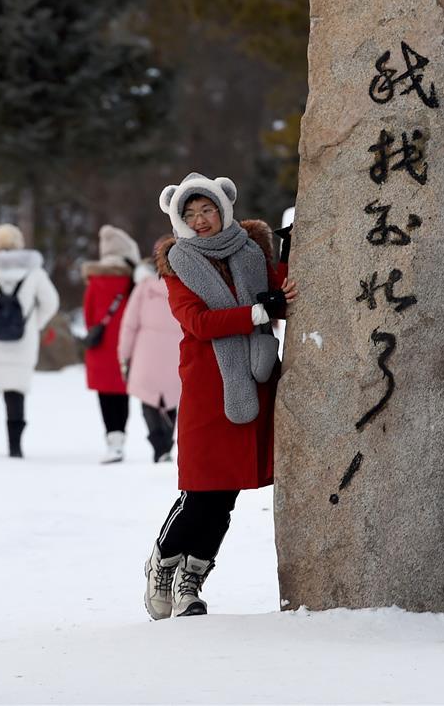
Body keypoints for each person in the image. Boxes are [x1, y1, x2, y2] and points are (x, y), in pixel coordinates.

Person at [143, 173, 297, 619]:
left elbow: (281, 291)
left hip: (255, 377)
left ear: (224, 207)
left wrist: (290, 255)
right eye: (190, 213)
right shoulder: (178, 265)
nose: (200, 220)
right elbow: (198, 323)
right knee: (201, 491)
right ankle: (162, 563)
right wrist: (257, 313)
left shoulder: (250, 251)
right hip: (210, 387)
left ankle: (190, 583)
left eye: (207, 209)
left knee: (225, 495)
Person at [0, 224, 59, 458]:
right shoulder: (34, 271)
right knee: (16, 392)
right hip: (22, 344)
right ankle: (15, 446)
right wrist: (34, 324)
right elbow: (51, 302)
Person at [118, 240, 183, 463]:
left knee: (148, 399)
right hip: (176, 351)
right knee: (172, 399)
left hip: (146, 353)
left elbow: (129, 325)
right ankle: (167, 443)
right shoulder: (186, 285)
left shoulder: (144, 287)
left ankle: (158, 444)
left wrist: (124, 355)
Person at [82, 225, 139, 463]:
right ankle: (121, 439)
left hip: (100, 348)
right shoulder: (133, 281)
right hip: (126, 347)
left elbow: (88, 317)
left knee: (105, 395)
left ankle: (112, 440)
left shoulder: (94, 280)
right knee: (122, 394)